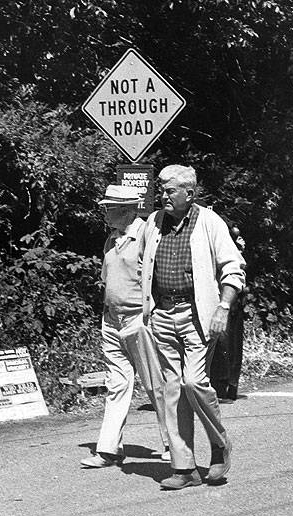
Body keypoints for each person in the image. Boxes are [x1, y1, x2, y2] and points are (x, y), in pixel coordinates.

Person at [140, 165, 245, 490]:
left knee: (194, 382)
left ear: (190, 193)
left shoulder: (210, 222)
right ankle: (184, 468)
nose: (163, 196)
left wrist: (223, 308)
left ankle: (219, 443)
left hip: (198, 314)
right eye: (161, 190)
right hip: (163, 314)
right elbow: (145, 263)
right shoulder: (154, 223)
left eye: (170, 190)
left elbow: (233, 267)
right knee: (172, 390)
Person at [81, 184, 169, 469]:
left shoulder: (145, 234)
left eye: (110, 208)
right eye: (106, 207)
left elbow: (156, 276)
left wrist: (152, 313)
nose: (105, 213)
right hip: (112, 318)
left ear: (128, 210)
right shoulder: (112, 238)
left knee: (155, 382)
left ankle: (172, 445)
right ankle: (108, 449)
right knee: (116, 383)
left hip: (139, 319)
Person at [210, 225, 246, 402]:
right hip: (220, 299)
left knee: (231, 345)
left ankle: (230, 385)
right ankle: (222, 386)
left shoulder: (234, 252)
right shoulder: (218, 249)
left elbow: (240, 274)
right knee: (223, 344)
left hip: (233, 302)